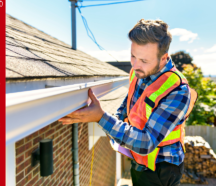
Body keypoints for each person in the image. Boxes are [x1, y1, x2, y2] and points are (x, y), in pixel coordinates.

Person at [59, 19, 197, 186]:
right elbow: (129, 103)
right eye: (133, 56)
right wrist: (115, 119)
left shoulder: (178, 91)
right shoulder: (138, 72)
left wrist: (101, 118)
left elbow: (146, 142)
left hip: (161, 168)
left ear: (163, 58)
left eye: (144, 60)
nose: (136, 65)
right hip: (139, 160)